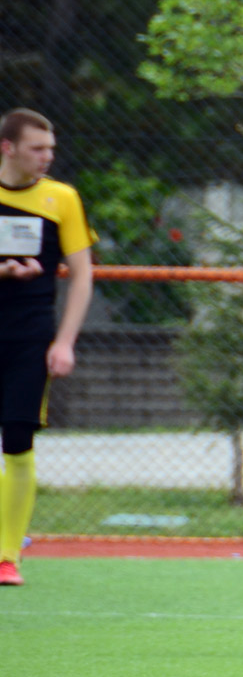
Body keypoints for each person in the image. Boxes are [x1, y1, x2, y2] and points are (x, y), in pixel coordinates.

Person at [0, 108, 95, 586]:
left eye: (50, 149)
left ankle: (6, 556)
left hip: (29, 339)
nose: (47, 157)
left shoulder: (63, 198)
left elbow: (82, 276)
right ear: (8, 148)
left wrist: (65, 342)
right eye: (37, 149)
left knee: (18, 442)